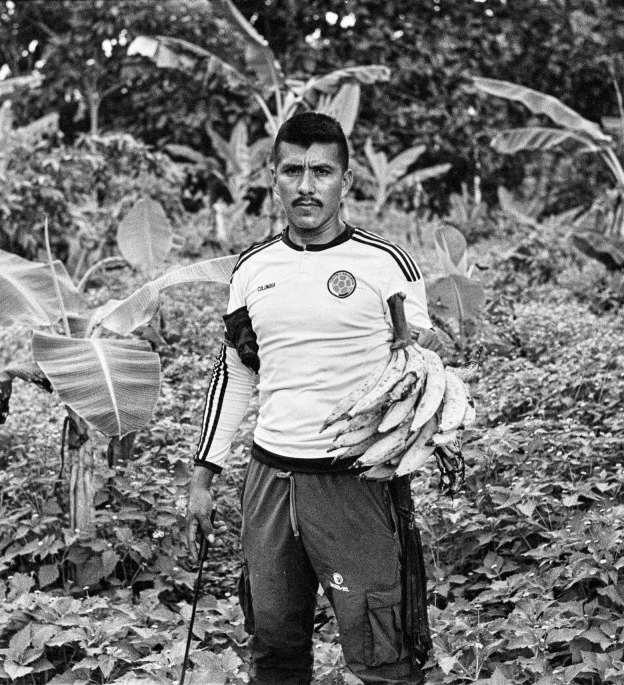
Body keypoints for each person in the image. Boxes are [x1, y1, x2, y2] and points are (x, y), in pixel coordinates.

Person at [187, 111, 442, 685]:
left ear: (346, 181)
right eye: (292, 170)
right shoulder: (252, 270)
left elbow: (416, 366)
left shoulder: (386, 264)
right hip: (271, 481)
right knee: (274, 647)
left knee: (383, 650)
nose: (306, 185)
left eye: (321, 171)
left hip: (357, 483)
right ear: (272, 178)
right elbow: (236, 374)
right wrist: (202, 477)